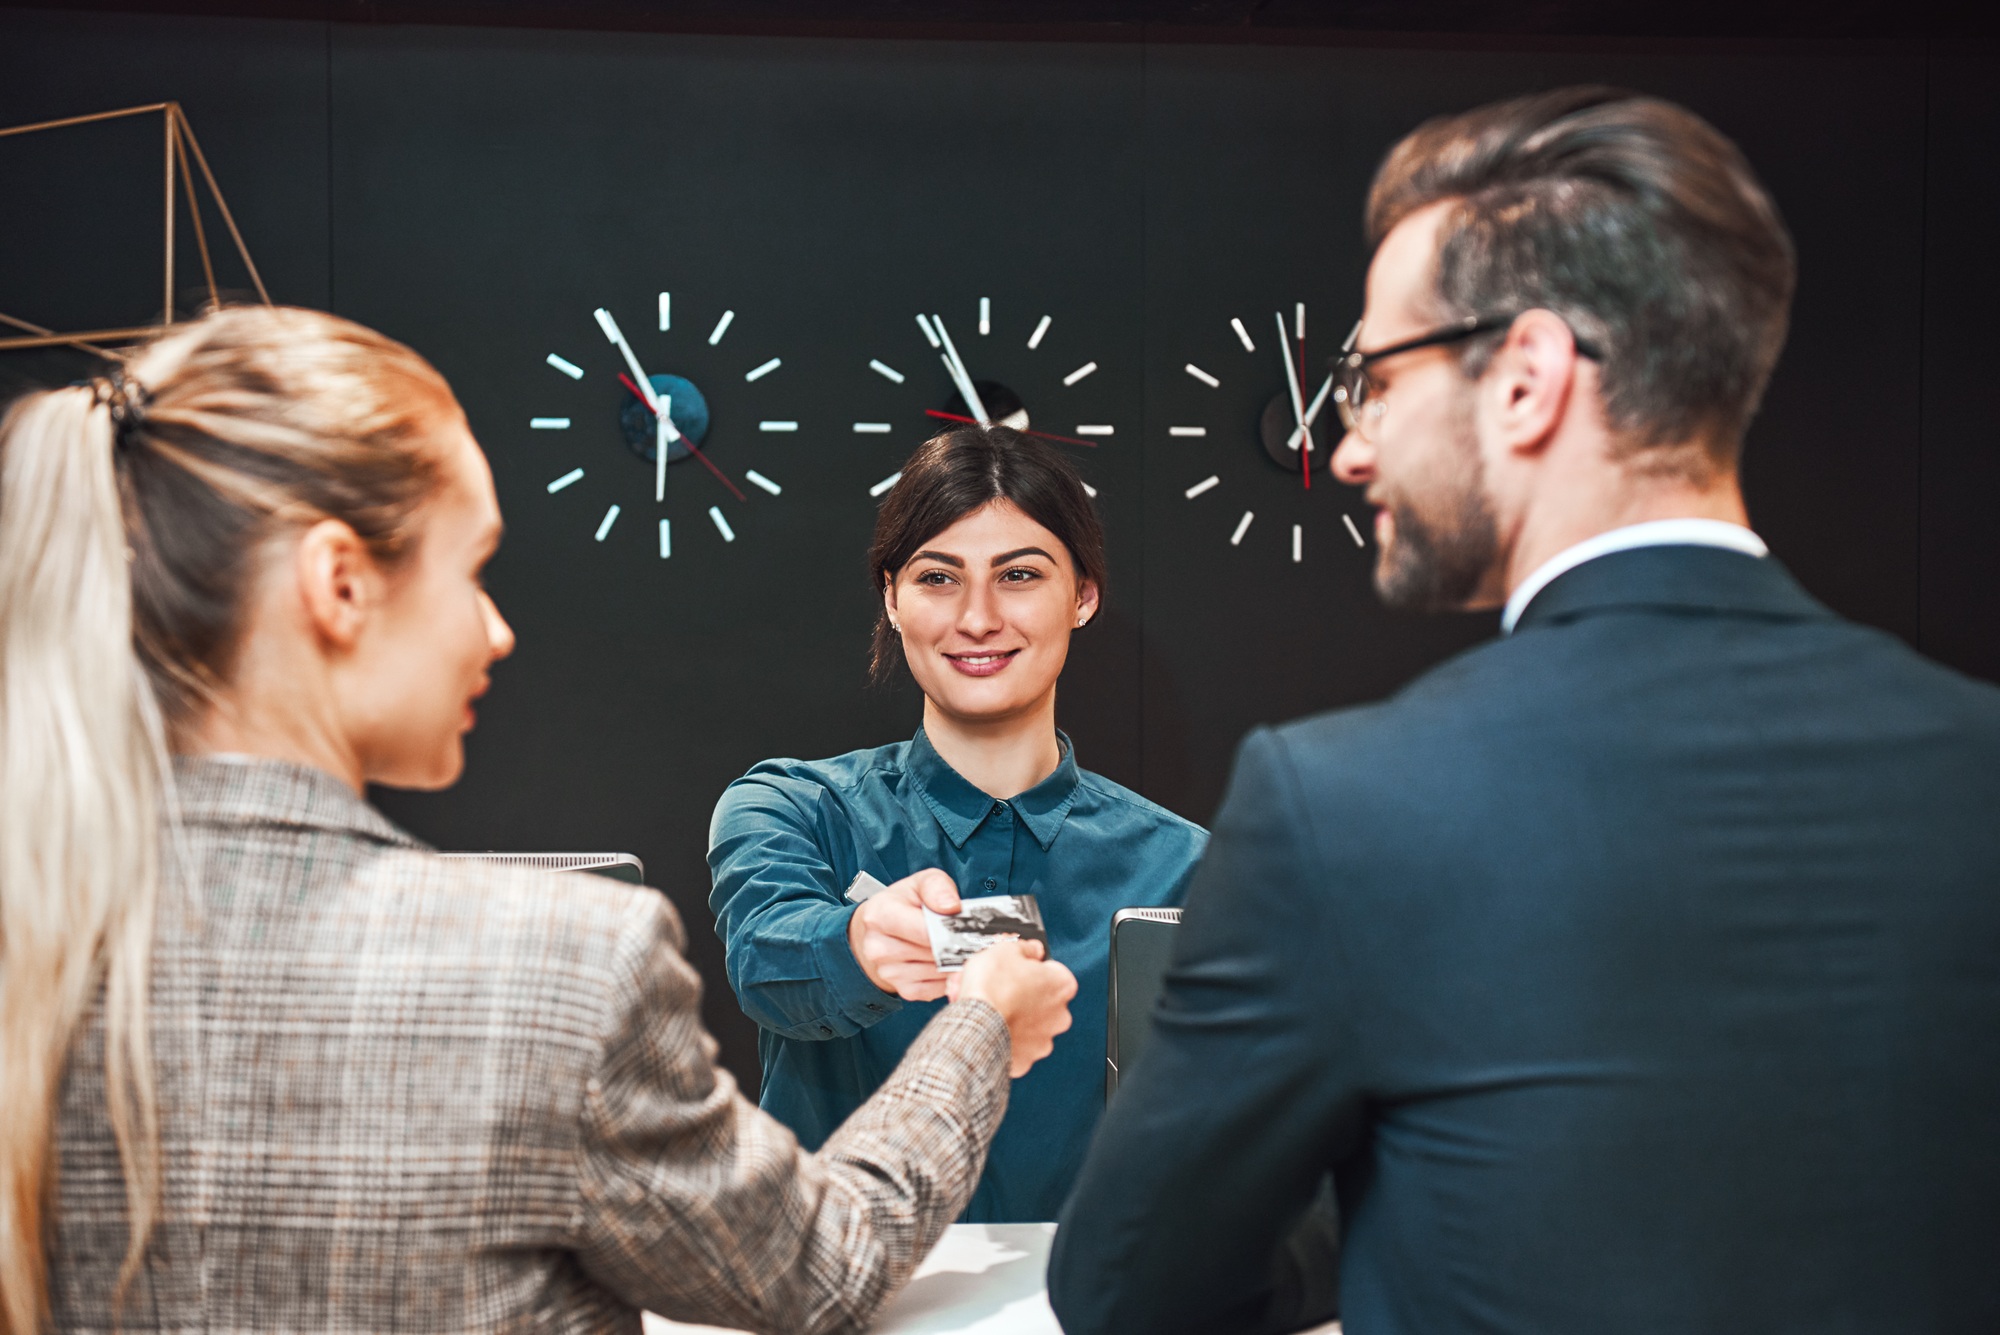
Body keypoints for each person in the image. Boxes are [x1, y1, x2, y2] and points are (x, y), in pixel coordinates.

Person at [1050, 86, 2000, 1334]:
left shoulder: (1342, 805)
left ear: (1525, 380)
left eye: (1371, 378)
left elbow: (1126, 1289)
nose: (1346, 448)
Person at [0, 305, 1078, 1335]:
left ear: (1078, 594)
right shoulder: (558, 965)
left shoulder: (34, 938)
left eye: (1019, 575)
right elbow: (817, 1269)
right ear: (338, 585)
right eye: (470, 571)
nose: (497, 630)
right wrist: (979, 1023)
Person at [709, 425, 1207, 1223]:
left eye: (1018, 575)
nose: (977, 617)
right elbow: (767, 959)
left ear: (1083, 594)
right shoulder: (792, 808)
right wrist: (866, 940)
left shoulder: (1187, 869)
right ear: (891, 596)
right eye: (938, 576)